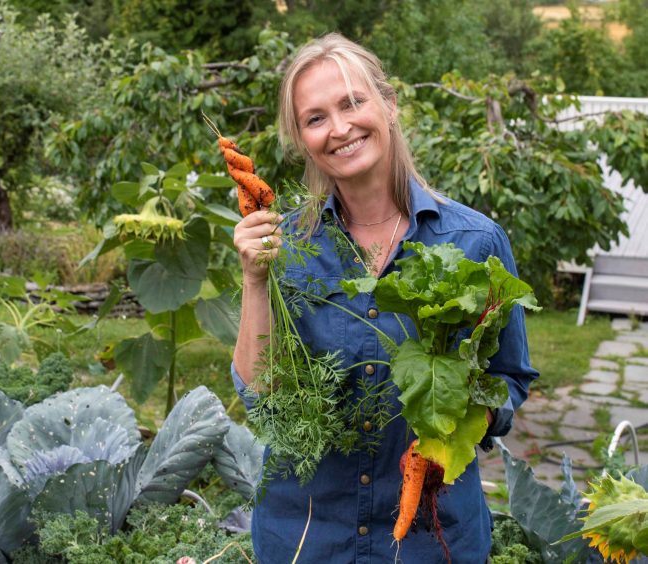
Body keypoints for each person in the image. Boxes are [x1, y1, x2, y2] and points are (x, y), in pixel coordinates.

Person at [230, 33, 539, 563]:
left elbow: (508, 377)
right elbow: (262, 397)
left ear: (389, 105)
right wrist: (256, 280)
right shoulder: (288, 248)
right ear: (303, 139)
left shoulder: (474, 243)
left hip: (430, 539)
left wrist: (459, 429)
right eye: (316, 118)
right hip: (307, 538)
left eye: (352, 103)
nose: (340, 128)